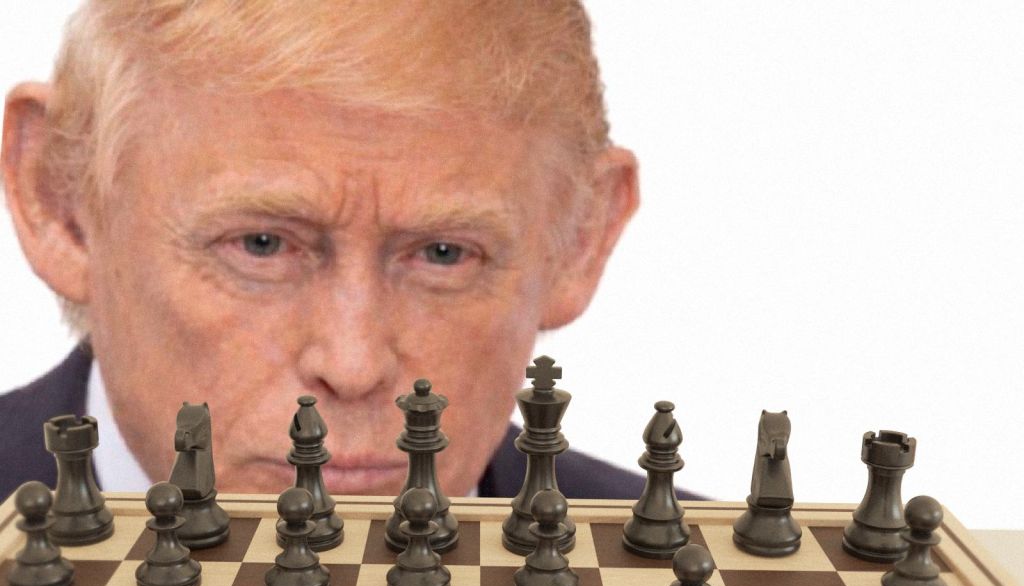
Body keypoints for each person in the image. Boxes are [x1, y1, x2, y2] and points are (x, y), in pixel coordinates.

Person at [0, 0, 693, 503]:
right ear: (59, 200)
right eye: (262, 245)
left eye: (444, 253)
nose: (353, 364)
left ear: (580, 238)